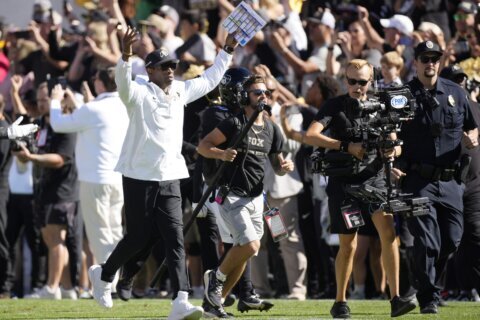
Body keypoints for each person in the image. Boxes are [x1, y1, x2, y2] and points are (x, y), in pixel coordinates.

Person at [88, 26, 238, 320]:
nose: (171, 70)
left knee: (175, 238)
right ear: (151, 70)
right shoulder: (138, 91)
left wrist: (227, 51)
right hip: (138, 176)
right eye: (165, 67)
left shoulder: (181, 90)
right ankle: (104, 274)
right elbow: (123, 83)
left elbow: (210, 79)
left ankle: (180, 300)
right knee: (138, 238)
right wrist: (126, 54)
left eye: (173, 66)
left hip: (171, 175)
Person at [303, 59, 416, 318]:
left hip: (376, 178)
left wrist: (391, 150)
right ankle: (340, 301)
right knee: (349, 244)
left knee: (389, 236)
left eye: (362, 82)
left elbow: (396, 144)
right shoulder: (335, 105)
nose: (356, 86)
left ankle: (396, 298)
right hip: (344, 182)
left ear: (371, 82)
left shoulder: (381, 105)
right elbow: (311, 135)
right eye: (351, 81)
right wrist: (346, 147)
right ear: (345, 81)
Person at [197, 74, 295, 316]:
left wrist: (284, 168)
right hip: (232, 196)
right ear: (245, 97)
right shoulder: (234, 122)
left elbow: (277, 166)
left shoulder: (272, 128)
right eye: (257, 93)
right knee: (250, 246)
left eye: (265, 92)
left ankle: (215, 303)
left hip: (255, 198)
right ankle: (216, 278)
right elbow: (203, 146)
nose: (263, 96)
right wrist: (220, 154)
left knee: (244, 253)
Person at [393, 41, 479, 314]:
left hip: (451, 180)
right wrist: (391, 154)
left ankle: (426, 282)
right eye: (424, 58)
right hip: (417, 179)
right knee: (427, 240)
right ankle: (428, 295)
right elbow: (390, 132)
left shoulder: (455, 92)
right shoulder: (402, 95)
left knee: (451, 240)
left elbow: (472, 127)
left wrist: (472, 138)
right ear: (415, 62)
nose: (430, 62)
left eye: (434, 58)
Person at [48, 67, 129, 293]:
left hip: (95, 179)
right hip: (117, 179)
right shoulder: (122, 106)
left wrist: (55, 101)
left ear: (101, 84)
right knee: (113, 230)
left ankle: (107, 284)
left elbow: (59, 124)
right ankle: (113, 281)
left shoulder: (94, 109)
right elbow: (90, 120)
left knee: (100, 233)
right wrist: (78, 102)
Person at [15, 82, 81, 300]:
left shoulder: (67, 122)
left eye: (46, 99)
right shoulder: (43, 123)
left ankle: (51, 287)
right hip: (45, 188)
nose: (42, 104)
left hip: (63, 187)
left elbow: (61, 159)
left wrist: (33, 158)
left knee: (56, 237)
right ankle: (67, 287)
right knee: (48, 237)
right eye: (41, 100)